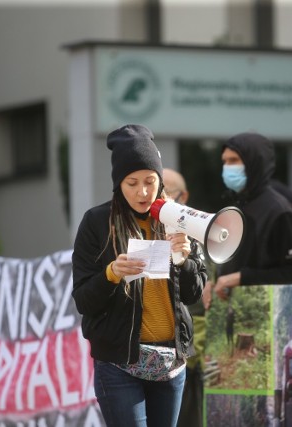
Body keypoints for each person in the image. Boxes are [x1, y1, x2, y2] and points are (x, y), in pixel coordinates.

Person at [72, 124, 206, 427]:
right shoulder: (96, 223)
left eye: (150, 181)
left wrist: (182, 260)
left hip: (170, 365)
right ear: (118, 183)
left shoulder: (178, 219)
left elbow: (194, 294)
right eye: (131, 183)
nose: (142, 192)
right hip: (119, 365)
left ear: (160, 180)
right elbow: (83, 299)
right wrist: (111, 273)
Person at [212, 132, 292, 300]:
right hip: (238, 315)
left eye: (234, 161)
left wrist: (241, 278)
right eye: (224, 161)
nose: (227, 168)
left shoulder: (279, 211)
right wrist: (214, 282)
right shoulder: (239, 205)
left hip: (272, 318)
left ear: (254, 162)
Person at [163, 168, 205, 427]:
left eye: (169, 192)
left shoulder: (196, 235)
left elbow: (197, 296)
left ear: (184, 196)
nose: (162, 198)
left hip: (193, 353)